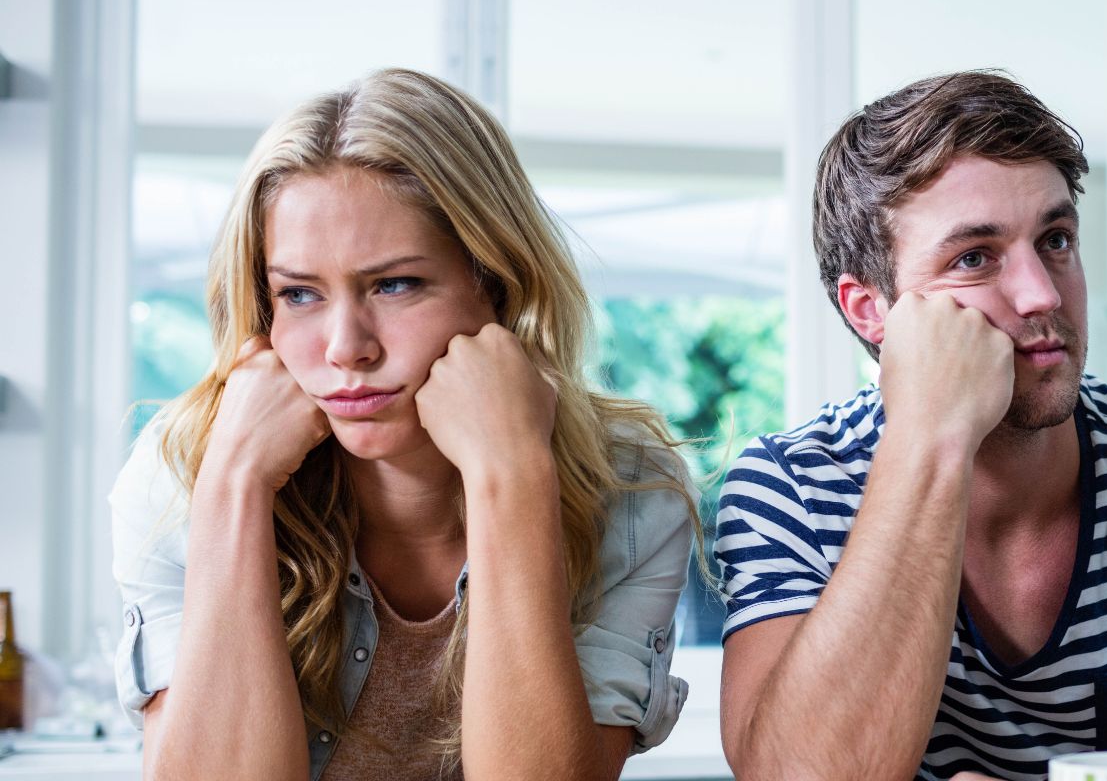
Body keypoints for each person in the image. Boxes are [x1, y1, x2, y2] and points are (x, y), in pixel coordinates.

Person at [111, 67, 698, 781]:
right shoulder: (182, 472)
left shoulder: (630, 490)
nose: (344, 347)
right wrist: (235, 485)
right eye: (298, 294)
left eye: (394, 284)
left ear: (499, 284)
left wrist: (509, 476)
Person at [715, 70, 1107, 781]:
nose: (1043, 293)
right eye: (974, 258)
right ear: (870, 310)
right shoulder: (793, 486)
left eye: (1056, 239)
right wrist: (930, 437)